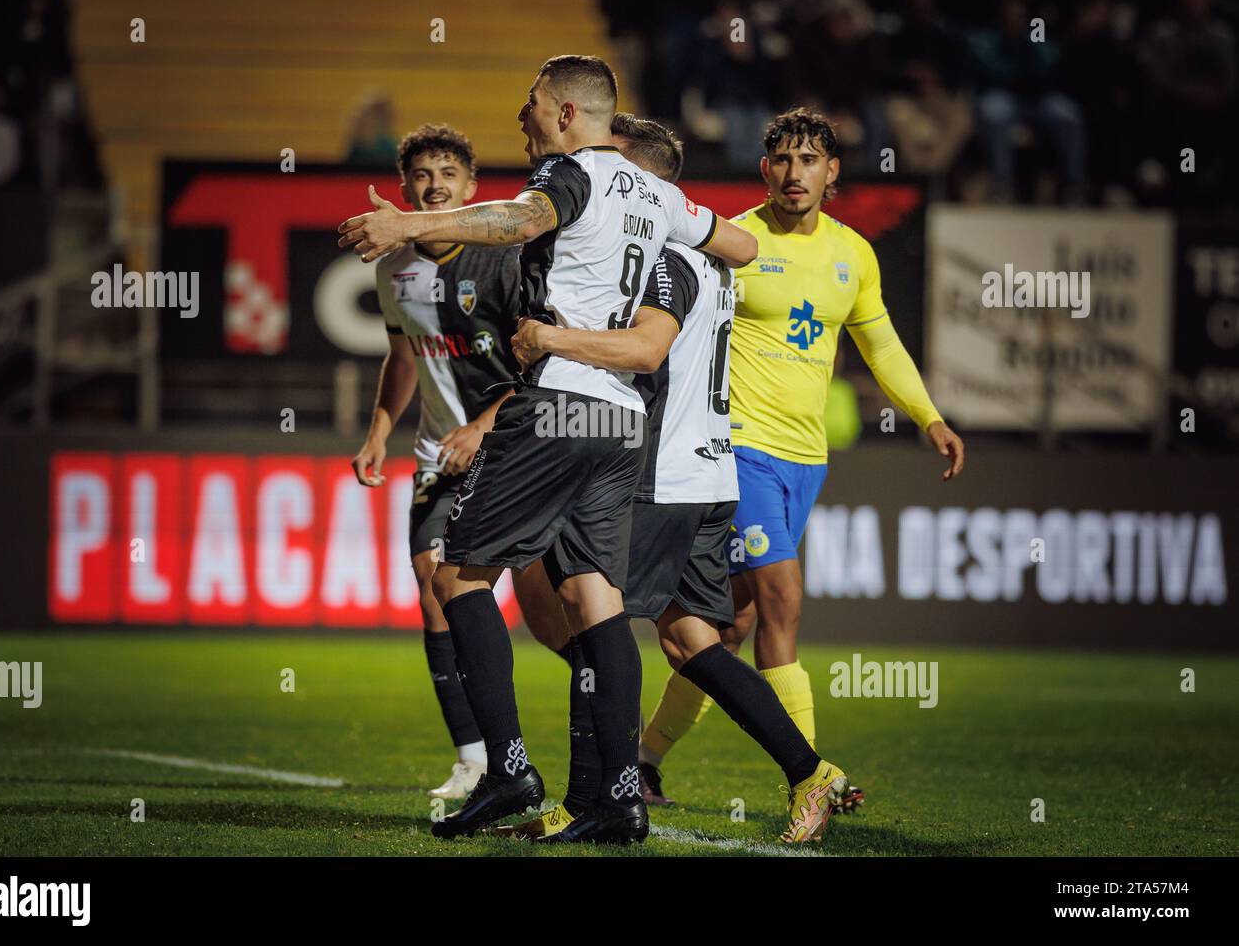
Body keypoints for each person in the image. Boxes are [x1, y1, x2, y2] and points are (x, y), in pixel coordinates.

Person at [338, 53, 758, 842]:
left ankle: (507, 770)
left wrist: (409, 223)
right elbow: (741, 249)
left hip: (559, 403)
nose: (522, 118)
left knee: (456, 580)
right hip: (620, 420)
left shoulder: (574, 175)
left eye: (531, 105)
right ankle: (621, 799)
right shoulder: (658, 193)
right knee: (593, 600)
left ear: (568, 113)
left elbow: (520, 221)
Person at [504, 113, 852, 844]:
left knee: (589, 616)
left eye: (620, 171)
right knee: (692, 642)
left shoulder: (665, 257)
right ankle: (808, 769)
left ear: (646, 181)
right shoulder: (713, 261)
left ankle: (592, 799)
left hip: (659, 475)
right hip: (710, 472)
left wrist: (551, 339)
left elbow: (646, 351)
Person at [636, 106, 964, 804]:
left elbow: (880, 344)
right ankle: (813, 775)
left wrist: (928, 416)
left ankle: (642, 760)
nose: (794, 173)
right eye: (782, 160)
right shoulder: (734, 242)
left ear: (832, 171)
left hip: (805, 461)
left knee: (730, 630)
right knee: (784, 598)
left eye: (809, 160)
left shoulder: (854, 254)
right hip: (739, 452)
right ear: (765, 169)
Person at [351, 123, 568, 801]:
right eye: (422, 175)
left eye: (448, 174)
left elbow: (541, 362)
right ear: (404, 188)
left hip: (512, 448)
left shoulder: (503, 262)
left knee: (549, 611)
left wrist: (482, 423)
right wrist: (380, 429)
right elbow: (403, 355)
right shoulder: (396, 270)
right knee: (433, 589)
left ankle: (602, 725)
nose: (435, 185)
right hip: (436, 455)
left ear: (471, 189)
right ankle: (475, 758)